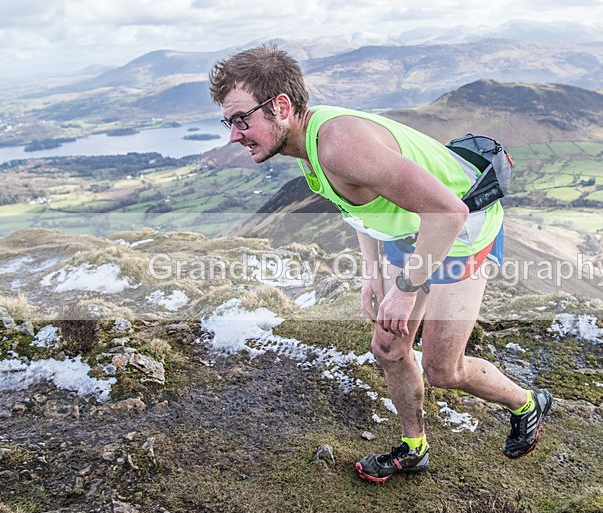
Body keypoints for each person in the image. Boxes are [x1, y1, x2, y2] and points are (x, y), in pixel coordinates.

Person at [209, 45, 552, 483]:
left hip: (460, 229)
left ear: (280, 106)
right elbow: (362, 211)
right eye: (229, 122)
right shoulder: (307, 144)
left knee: (443, 368)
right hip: (411, 228)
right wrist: (373, 275)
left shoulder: (339, 146)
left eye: (242, 120)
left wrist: (405, 289)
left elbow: (448, 214)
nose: (235, 135)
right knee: (389, 347)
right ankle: (414, 448)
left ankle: (527, 403)